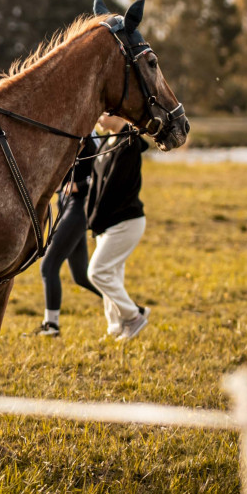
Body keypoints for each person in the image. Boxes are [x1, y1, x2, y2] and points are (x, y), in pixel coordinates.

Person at [85, 113, 151, 341]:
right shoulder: (107, 142)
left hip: (126, 221)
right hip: (107, 222)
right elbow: (96, 182)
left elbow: (113, 187)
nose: (99, 117)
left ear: (119, 115)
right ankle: (115, 327)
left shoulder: (129, 144)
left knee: (97, 272)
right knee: (112, 274)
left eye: (104, 112)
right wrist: (91, 218)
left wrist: (95, 219)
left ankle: (134, 315)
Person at [35, 135, 103, 336]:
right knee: (81, 276)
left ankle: (52, 325)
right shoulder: (70, 132)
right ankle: (128, 307)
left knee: (48, 267)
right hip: (65, 205)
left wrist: (79, 186)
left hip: (78, 209)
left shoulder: (91, 139)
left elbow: (103, 175)